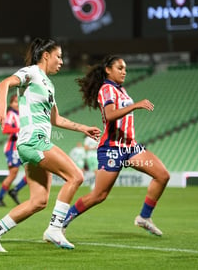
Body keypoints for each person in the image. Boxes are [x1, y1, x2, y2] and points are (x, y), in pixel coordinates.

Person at [0, 37, 101, 252]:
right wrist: (2, 108)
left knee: (38, 202)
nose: (61, 61)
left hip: (32, 144)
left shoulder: (48, 84)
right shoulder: (32, 72)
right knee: (76, 176)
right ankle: (55, 229)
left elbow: (56, 119)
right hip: (34, 141)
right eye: (59, 56)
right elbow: (3, 83)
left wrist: (82, 128)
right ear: (46, 55)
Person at [62, 55, 170, 237]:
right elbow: (110, 115)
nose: (124, 72)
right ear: (108, 70)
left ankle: (144, 217)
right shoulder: (106, 89)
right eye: (120, 68)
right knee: (99, 195)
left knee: (162, 175)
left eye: (125, 68)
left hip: (130, 147)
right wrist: (136, 105)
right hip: (112, 148)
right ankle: (61, 222)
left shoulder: (121, 90)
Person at [0, 94, 28, 207]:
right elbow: (6, 129)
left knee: (32, 171)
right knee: (13, 174)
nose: (17, 104)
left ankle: (15, 190)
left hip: (23, 147)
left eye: (18, 101)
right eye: (14, 102)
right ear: (10, 104)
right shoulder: (11, 114)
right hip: (13, 147)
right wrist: (20, 129)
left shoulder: (23, 115)